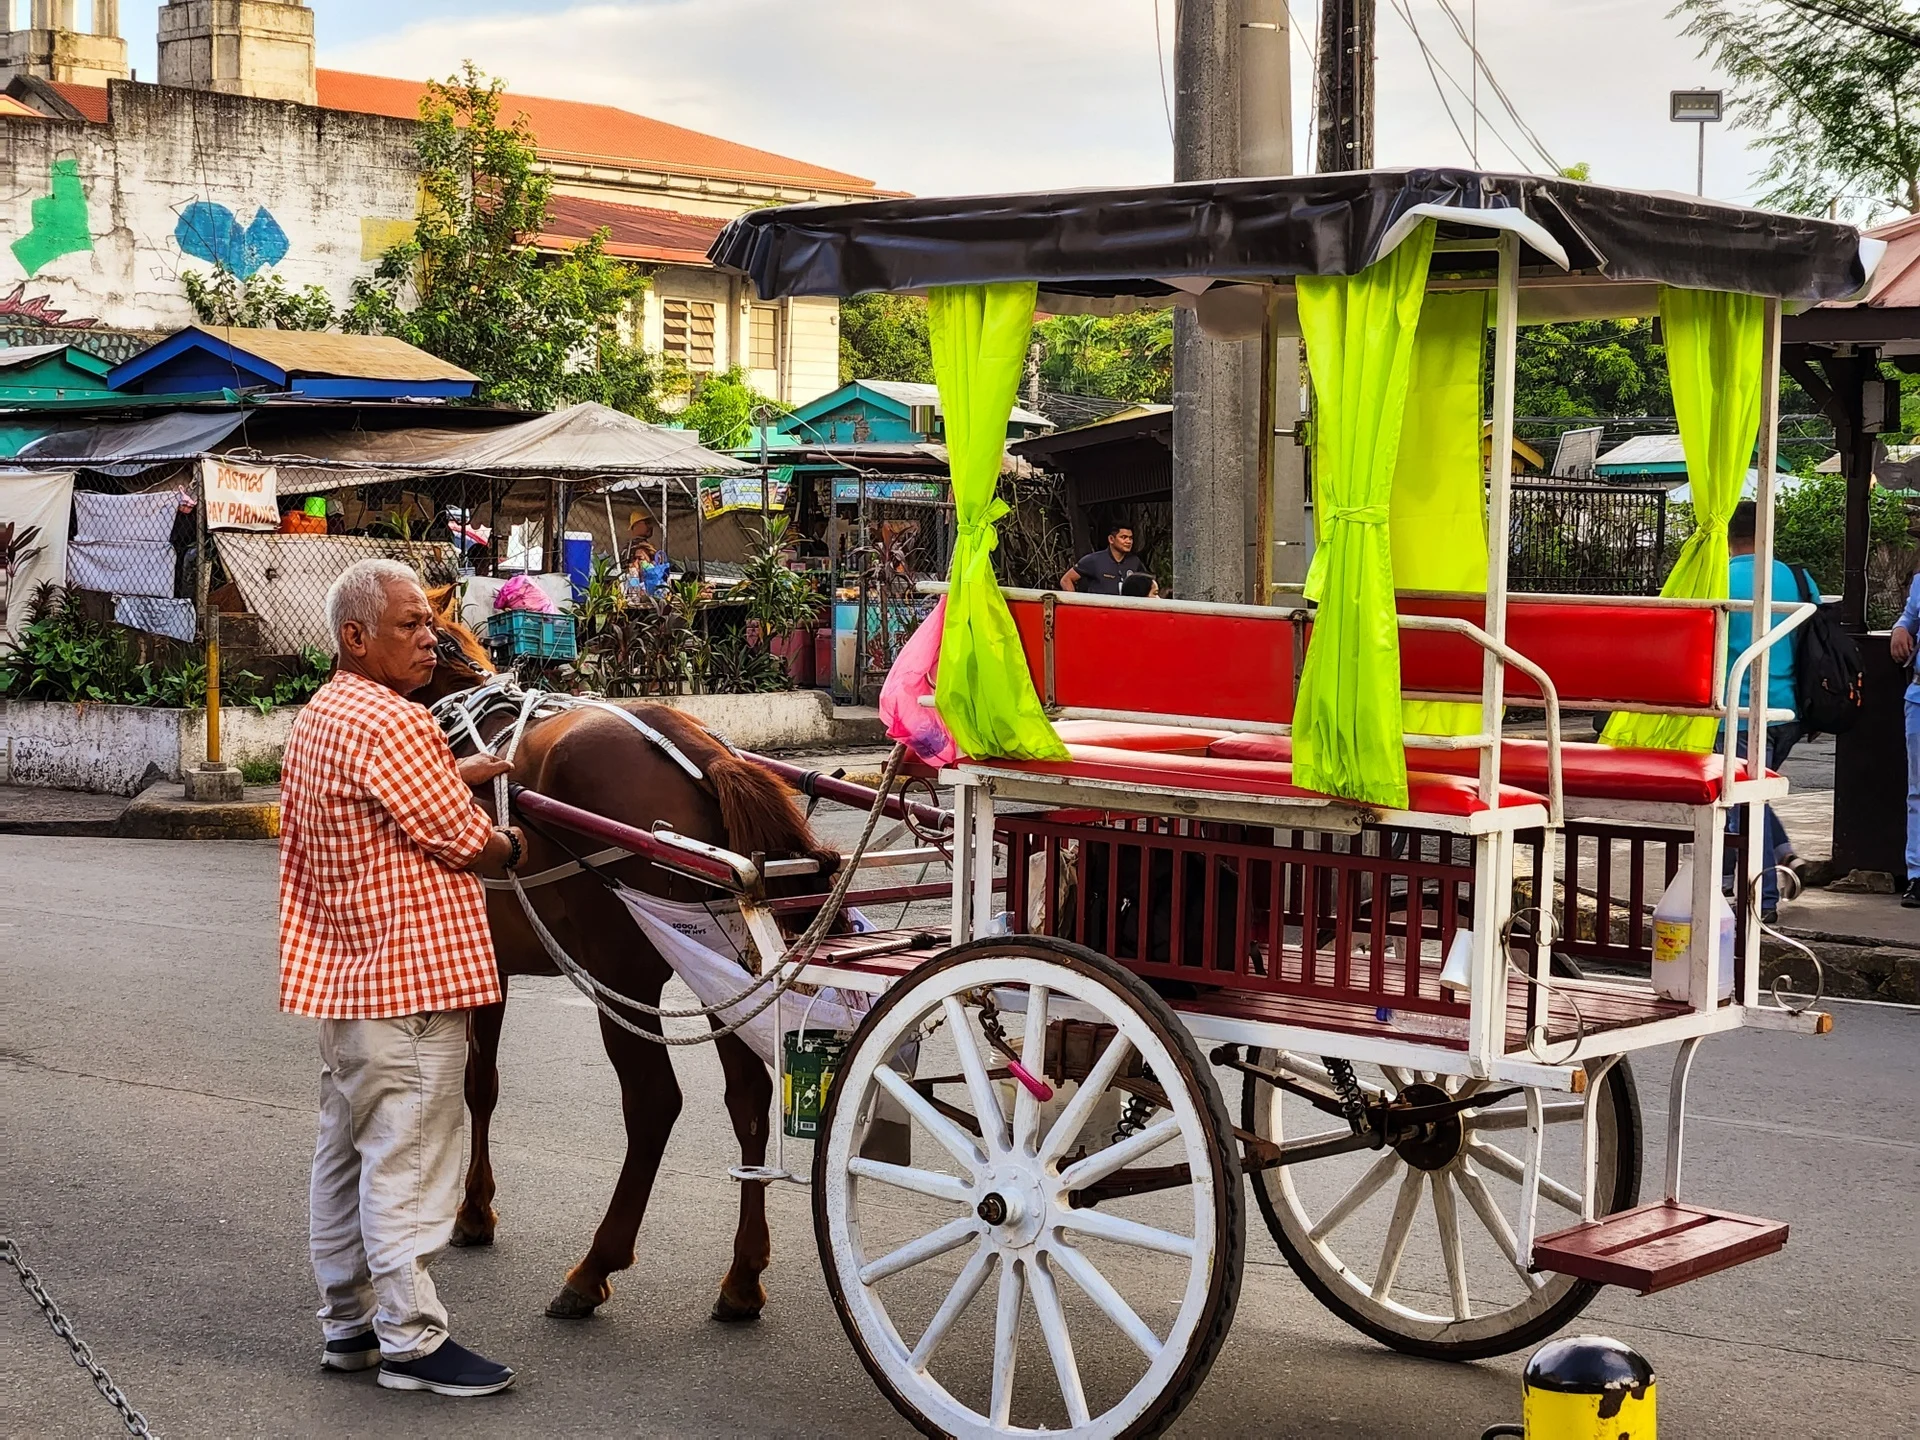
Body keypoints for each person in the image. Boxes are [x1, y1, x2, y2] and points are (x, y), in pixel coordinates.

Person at [279, 558, 525, 1398]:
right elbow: (469, 844)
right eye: (409, 625)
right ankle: (414, 1344)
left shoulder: (323, 715)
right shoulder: (398, 723)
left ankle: (347, 1328)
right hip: (411, 989)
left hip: (348, 984)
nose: (431, 639)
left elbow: (386, 795)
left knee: (346, 1158)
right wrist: (514, 844)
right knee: (411, 1164)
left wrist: (461, 774)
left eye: (429, 623)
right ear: (355, 638)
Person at [1724, 500, 1810, 922]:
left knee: (1743, 800)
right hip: (1789, 709)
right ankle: (1776, 858)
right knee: (1746, 796)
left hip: (1736, 707)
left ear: (1727, 537)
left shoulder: (1717, 577)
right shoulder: (1798, 577)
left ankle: (1764, 897)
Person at [1890, 568, 1920, 908]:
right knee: (1918, 792)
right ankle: (1918, 875)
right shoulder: (1919, 581)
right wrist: (1900, 629)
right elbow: (1909, 617)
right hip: (1919, 694)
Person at [1061, 524, 1158, 596]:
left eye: (1130, 538)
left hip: (1125, 614)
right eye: (1123, 537)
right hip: (1099, 614)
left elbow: (1148, 586)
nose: (1128, 541)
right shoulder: (1094, 560)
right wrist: (1075, 604)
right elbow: (1066, 580)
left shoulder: (1135, 562)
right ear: (1111, 539)